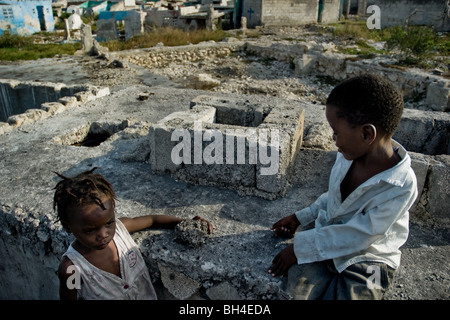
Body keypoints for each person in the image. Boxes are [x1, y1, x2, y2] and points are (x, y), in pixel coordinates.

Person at [268, 74, 418, 300]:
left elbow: (363, 234)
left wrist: (301, 248)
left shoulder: (401, 184)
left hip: (369, 257)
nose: (333, 139)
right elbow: (335, 199)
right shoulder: (347, 156)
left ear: (367, 134)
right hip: (327, 239)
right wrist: (301, 217)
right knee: (296, 290)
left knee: (359, 293)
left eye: (336, 132)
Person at [54, 167, 212, 300]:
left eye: (109, 222)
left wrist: (184, 222)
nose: (103, 234)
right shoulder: (71, 269)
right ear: (68, 227)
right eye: (90, 230)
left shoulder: (121, 229)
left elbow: (152, 219)